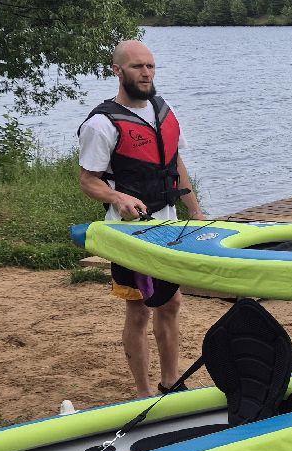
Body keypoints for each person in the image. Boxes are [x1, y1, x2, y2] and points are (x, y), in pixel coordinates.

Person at [78, 40, 207, 397]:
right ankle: (143, 392)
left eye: (150, 66)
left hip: (167, 225)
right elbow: (88, 180)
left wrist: (194, 210)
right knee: (138, 311)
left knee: (172, 303)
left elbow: (175, 165)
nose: (146, 73)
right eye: (137, 67)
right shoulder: (102, 124)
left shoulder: (164, 112)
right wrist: (117, 196)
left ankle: (171, 383)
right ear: (117, 71)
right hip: (129, 232)